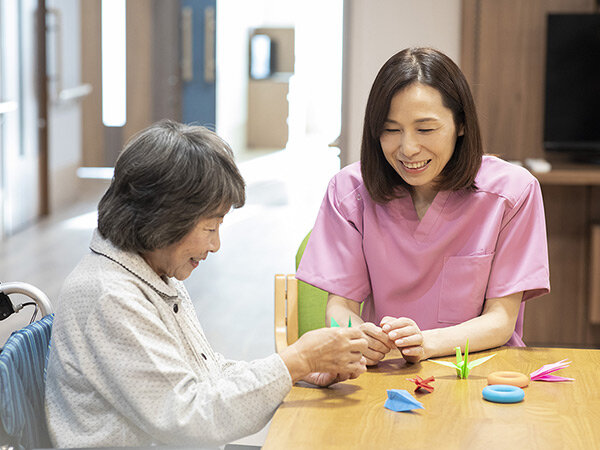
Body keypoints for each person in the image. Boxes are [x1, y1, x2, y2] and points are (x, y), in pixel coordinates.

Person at [45, 120, 368, 448]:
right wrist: (296, 360)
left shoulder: (150, 270)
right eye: (210, 228)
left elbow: (203, 373)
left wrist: (297, 372)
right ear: (166, 219)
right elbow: (189, 418)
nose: (215, 246)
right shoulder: (110, 296)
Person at [296, 47, 550, 365]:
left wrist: (424, 343)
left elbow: (500, 320)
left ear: (461, 124)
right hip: (385, 376)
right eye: (391, 130)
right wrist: (356, 337)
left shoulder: (513, 193)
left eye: (426, 129)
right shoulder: (349, 192)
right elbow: (339, 309)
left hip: (478, 370)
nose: (408, 148)